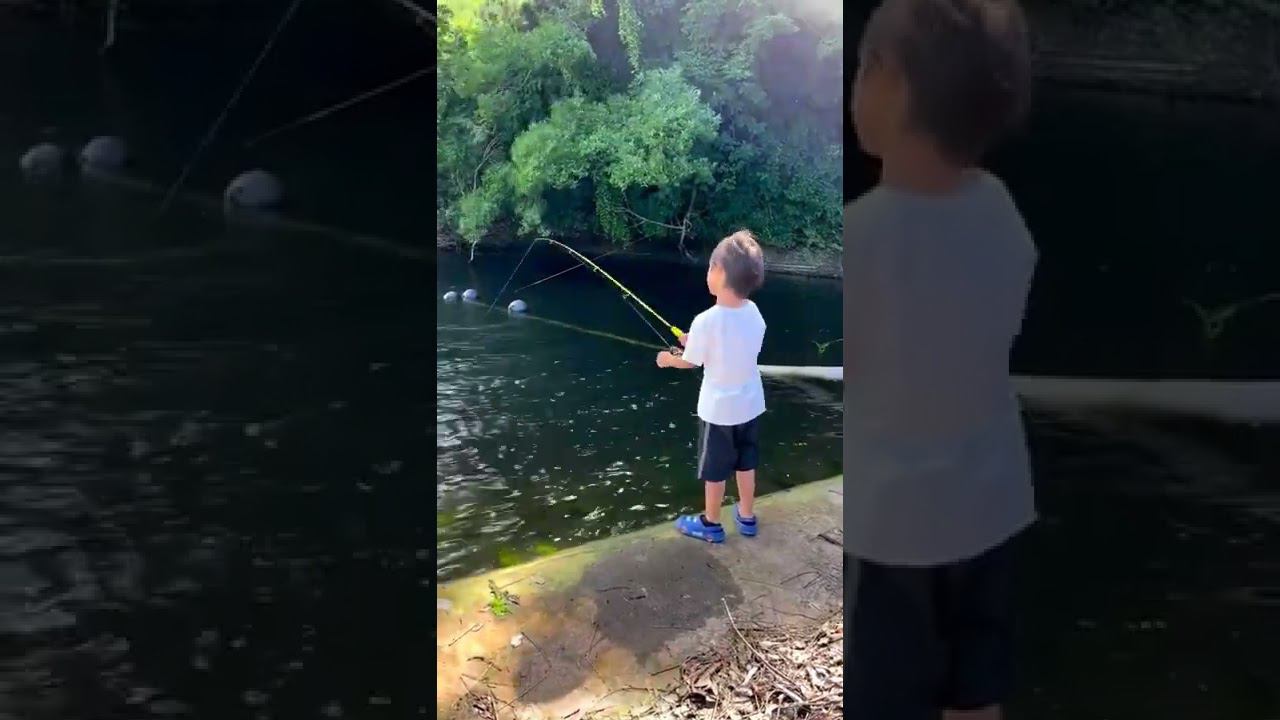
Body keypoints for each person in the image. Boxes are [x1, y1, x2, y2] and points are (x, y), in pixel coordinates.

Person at [844, 1, 1036, 719]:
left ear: (890, 86)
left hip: (900, 525)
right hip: (991, 504)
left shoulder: (865, 235)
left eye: (863, 69)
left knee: (883, 692)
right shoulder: (1001, 209)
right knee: (975, 690)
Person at [656, 230, 767, 544]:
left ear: (719, 274)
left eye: (709, 268)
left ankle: (711, 523)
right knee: (747, 462)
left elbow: (691, 362)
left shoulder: (705, 320)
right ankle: (746, 517)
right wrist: (696, 343)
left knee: (715, 470)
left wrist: (667, 359)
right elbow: (734, 347)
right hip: (751, 405)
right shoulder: (755, 314)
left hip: (719, 413)